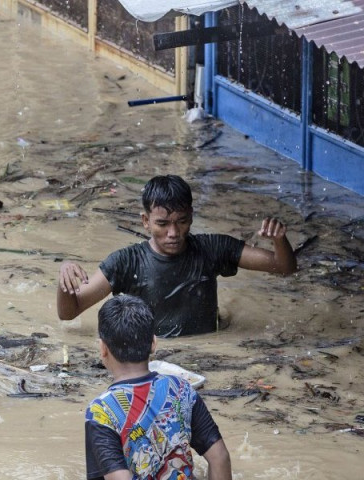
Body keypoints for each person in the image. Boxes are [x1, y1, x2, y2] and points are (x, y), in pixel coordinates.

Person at [57, 174, 297, 337]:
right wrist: (65, 280)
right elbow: (69, 312)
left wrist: (279, 240)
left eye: (181, 222)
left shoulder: (213, 248)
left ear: (191, 217)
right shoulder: (126, 261)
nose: (173, 233)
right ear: (145, 222)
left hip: (208, 346)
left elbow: (283, 267)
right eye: (162, 224)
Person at [85, 294, 232, 480]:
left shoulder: (102, 411)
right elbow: (220, 458)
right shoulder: (181, 389)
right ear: (154, 343)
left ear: (103, 348)